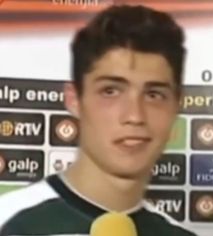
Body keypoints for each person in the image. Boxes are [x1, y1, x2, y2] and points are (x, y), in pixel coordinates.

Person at [0, 4, 197, 236]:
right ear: (74, 100)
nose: (134, 116)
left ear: (177, 105)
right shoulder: (8, 220)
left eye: (154, 95)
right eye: (111, 91)